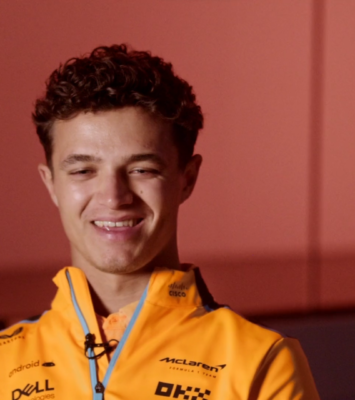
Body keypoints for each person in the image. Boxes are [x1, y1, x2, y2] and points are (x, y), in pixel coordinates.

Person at [0, 44, 320, 400]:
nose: (114, 197)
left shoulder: (262, 362)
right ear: (51, 184)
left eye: (142, 170)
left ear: (187, 179)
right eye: (83, 171)